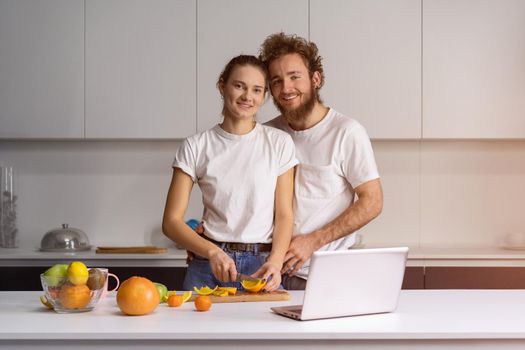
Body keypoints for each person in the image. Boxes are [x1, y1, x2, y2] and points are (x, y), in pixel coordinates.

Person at [259, 33, 384, 290]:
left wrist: (313, 240)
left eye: (295, 77)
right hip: (267, 273)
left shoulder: (346, 132)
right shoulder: (266, 134)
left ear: (315, 79)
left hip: (325, 275)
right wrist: (212, 237)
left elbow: (373, 201)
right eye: (277, 81)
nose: (286, 89)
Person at [162, 55, 297, 292]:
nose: (248, 97)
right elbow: (171, 222)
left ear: (264, 96)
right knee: (198, 330)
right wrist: (211, 251)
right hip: (208, 264)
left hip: (261, 267)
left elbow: (284, 214)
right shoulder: (196, 145)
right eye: (239, 86)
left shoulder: (279, 143)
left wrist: (276, 262)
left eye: (257, 90)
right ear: (221, 86)